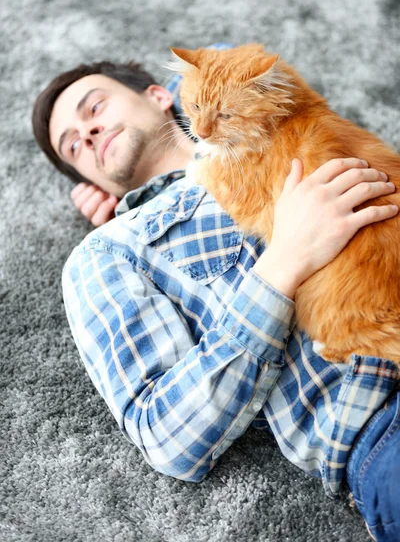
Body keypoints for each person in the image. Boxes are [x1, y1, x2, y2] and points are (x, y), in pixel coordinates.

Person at [32, 48, 400, 542]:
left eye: (94, 108)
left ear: (159, 94)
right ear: (90, 182)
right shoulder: (106, 253)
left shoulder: (277, 112)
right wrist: (285, 260)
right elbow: (166, 436)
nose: (88, 133)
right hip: (379, 412)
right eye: (73, 146)